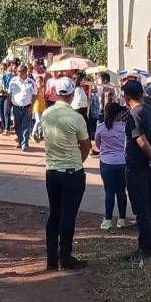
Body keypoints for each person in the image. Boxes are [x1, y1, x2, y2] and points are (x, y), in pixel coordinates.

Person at [40, 78, 91, 270]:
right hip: (72, 171)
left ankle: (51, 257)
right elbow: (86, 146)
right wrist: (79, 161)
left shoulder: (46, 114)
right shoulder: (76, 118)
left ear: (56, 93)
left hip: (52, 170)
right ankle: (65, 256)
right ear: (71, 94)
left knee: (54, 213)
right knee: (68, 216)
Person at [122, 79, 151, 259]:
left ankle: (145, 247)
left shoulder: (134, 114)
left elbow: (141, 140)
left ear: (126, 96)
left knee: (142, 207)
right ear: (142, 93)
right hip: (150, 167)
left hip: (137, 166)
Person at [94, 102, 129, 230]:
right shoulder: (125, 127)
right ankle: (122, 219)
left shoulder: (102, 127)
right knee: (121, 191)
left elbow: (98, 144)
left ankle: (108, 220)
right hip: (122, 162)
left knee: (109, 191)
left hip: (106, 162)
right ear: (118, 114)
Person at [8, 64, 37, 151]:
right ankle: (20, 141)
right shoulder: (13, 81)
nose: (18, 73)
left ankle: (25, 144)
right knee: (17, 126)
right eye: (18, 71)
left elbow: (35, 95)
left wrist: (32, 106)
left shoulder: (31, 82)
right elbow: (9, 93)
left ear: (25, 72)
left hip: (27, 107)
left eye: (20, 71)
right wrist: (8, 105)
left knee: (25, 126)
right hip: (16, 107)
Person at [31, 74, 47, 143]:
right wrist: (39, 88)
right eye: (37, 82)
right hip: (36, 106)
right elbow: (35, 96)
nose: (39, 83)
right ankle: (33, 133)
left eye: (41, 81)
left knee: (42, 120)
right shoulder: (35, 88)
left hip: (42, 105)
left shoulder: (44, 88)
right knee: (38, 120)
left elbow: (44, 96)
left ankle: (40, 133)